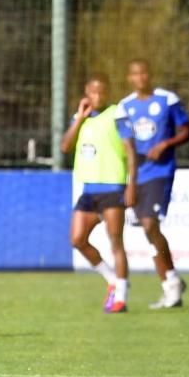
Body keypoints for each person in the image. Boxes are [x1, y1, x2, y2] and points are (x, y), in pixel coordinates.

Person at [116, 59, 189, 309]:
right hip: (137, 176)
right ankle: (171, 284)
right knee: (149, 232)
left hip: (160, 172)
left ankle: (171, 282)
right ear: (129, 77)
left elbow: (188, 131)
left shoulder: (166, 100)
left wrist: (165, 144)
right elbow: (125, 145)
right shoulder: (124, 107)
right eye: (135, 74)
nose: (140, 78)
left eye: (144, 73)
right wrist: (128, 181)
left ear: (150, 75)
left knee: (150, 224)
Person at [61, 74, 137, 313]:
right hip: (89, 189)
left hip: (112, 188)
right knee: (77, 239)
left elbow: (131, 152)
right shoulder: (81, 117)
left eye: (101, 92)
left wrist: (132, 184)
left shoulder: (117, 114)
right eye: (93, 92)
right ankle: (112, 280)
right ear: (86, 91)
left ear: (107, 92)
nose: (97, 96)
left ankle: (121, 296)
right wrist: (79, 119)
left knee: (116, 241)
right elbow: (65, 146)